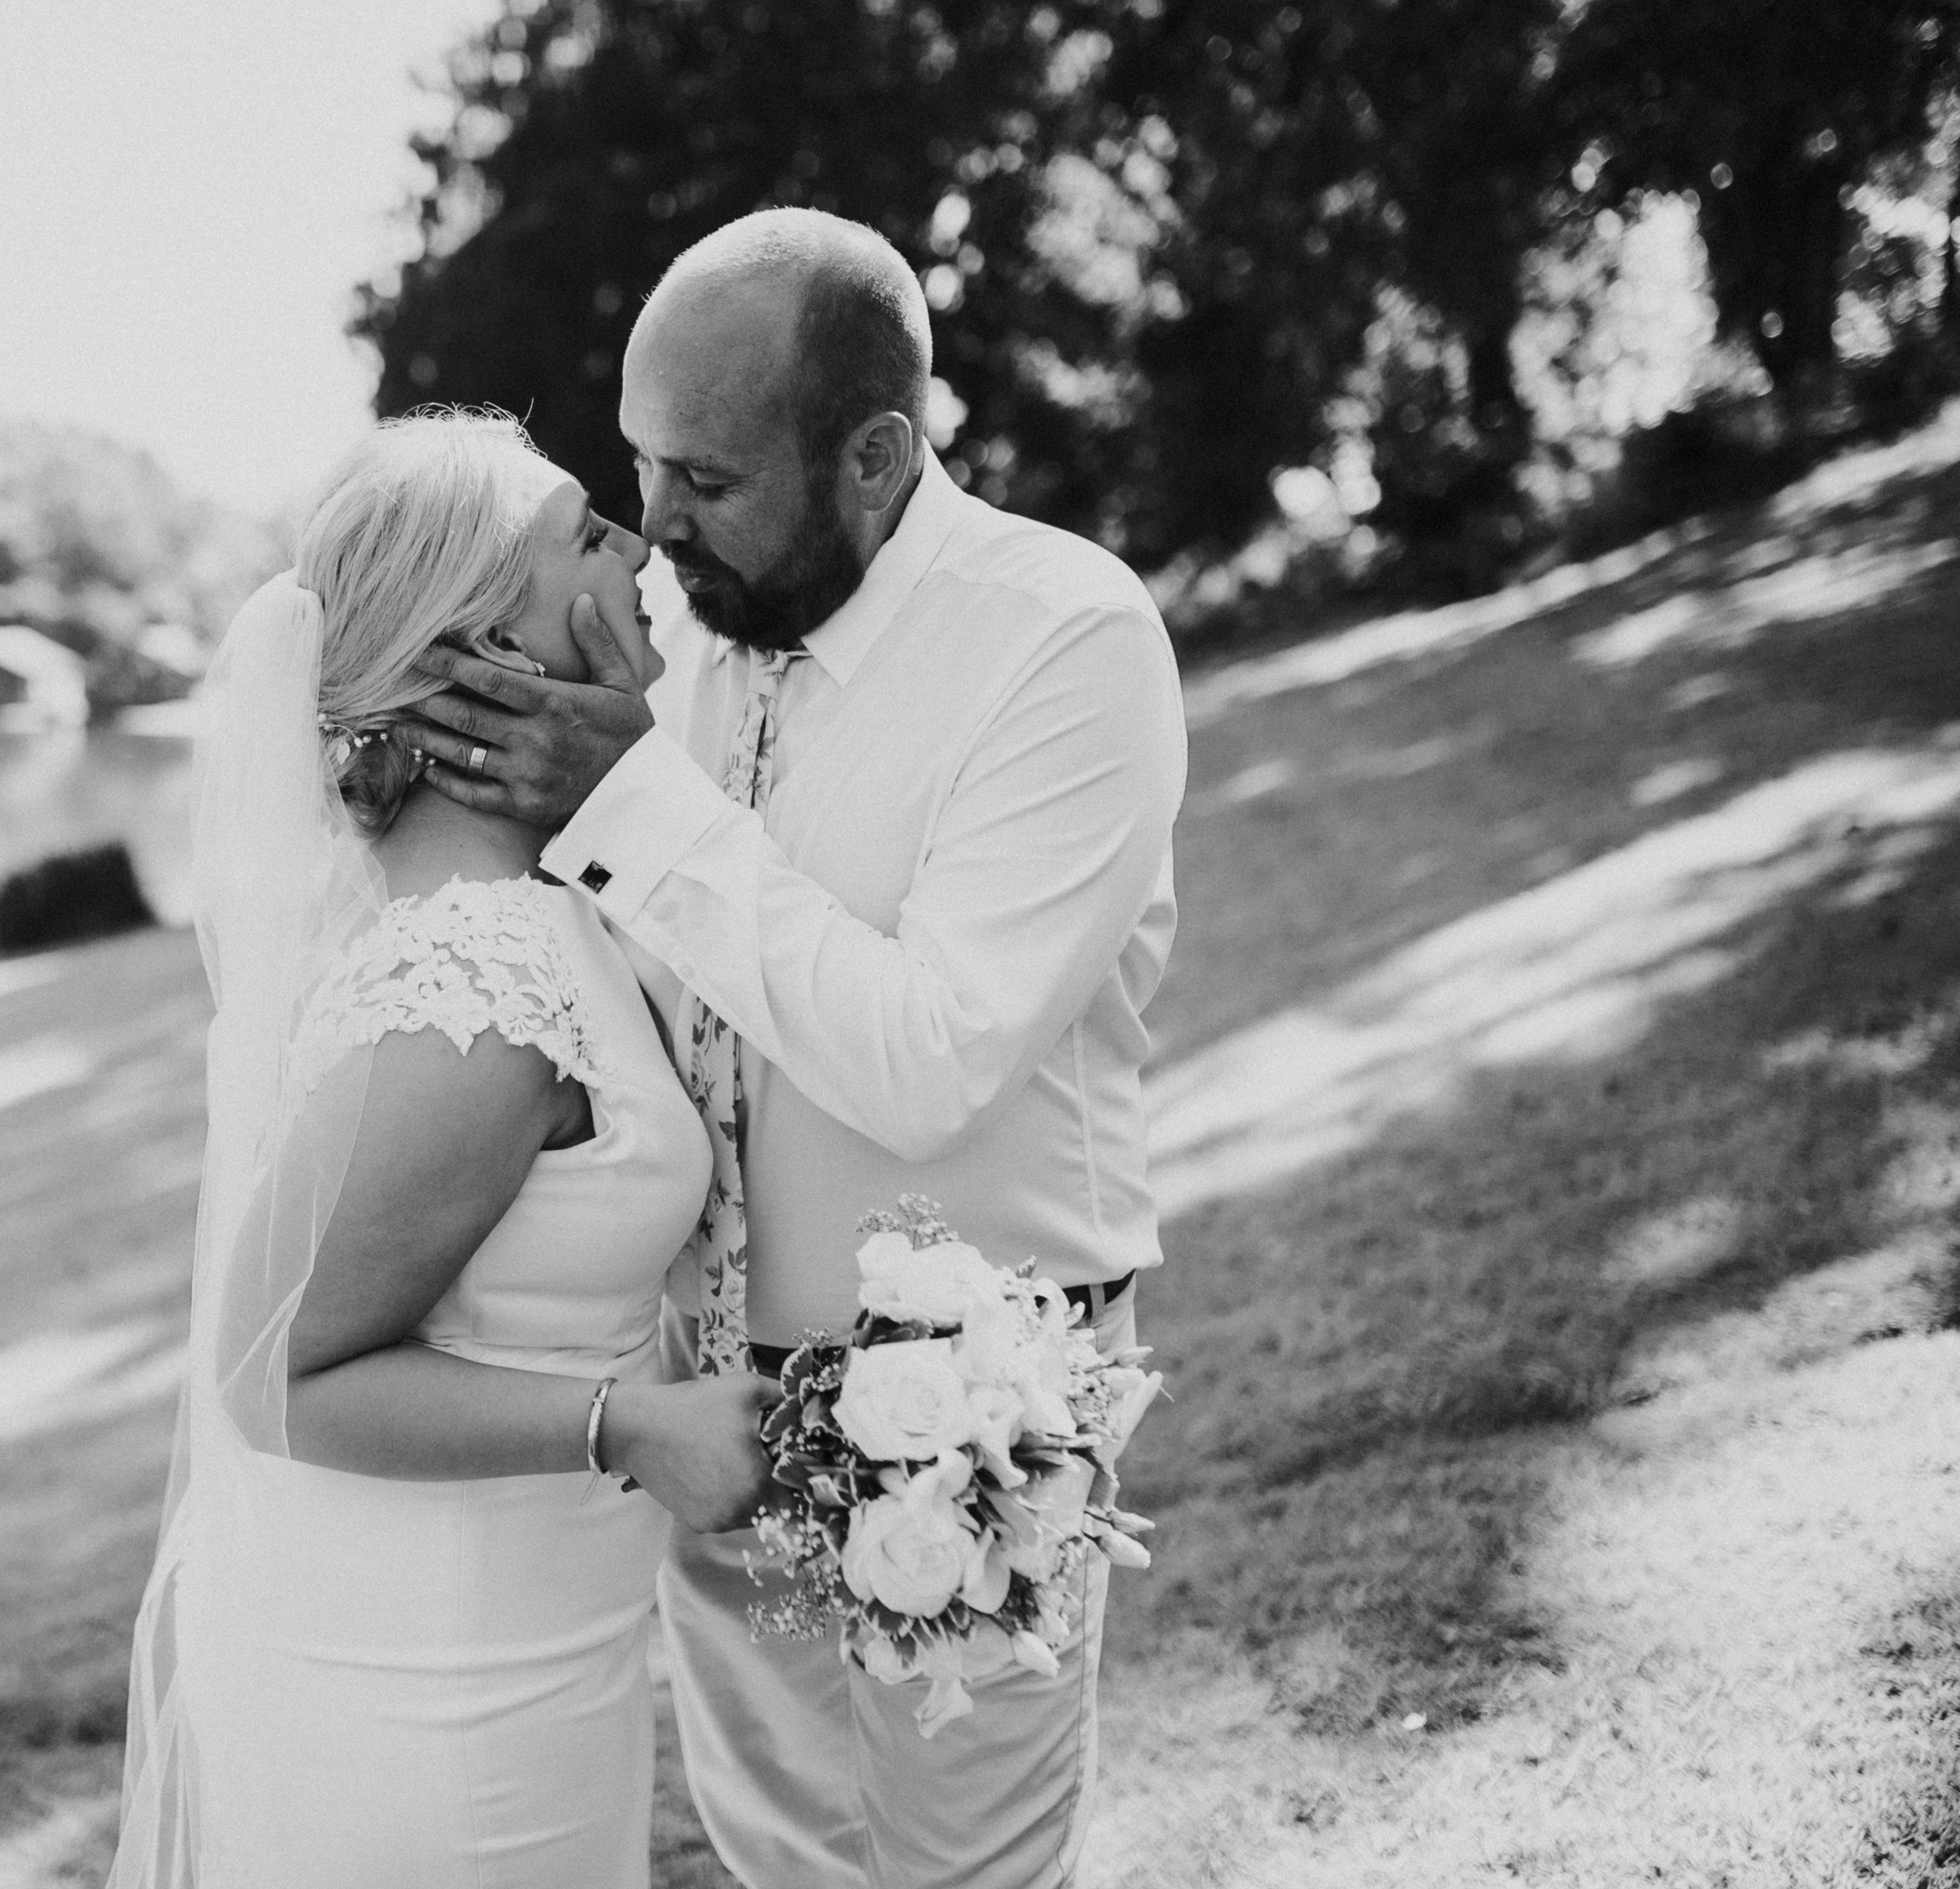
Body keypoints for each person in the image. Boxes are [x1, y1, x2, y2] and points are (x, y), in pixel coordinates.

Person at [397, 209, 1189, 1887]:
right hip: (716, 1419)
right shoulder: (669, 648)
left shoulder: (1065, 639)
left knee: (969, 1878)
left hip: (977, 1414)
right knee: (785, 1871)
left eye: (710, 479)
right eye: (641, 466)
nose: (657, 524)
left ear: (880, 456)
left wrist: (629, 807)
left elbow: (931, 1056)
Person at [107, 410, 778, 1889]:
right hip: (444, 1707)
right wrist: (628, 1426)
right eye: (588, 534)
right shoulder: (478, 987)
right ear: (491, 654)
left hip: (535, 1657)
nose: (642, 538)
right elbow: (278, 1371)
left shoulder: (555, 915)